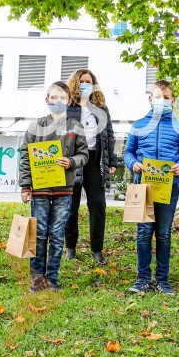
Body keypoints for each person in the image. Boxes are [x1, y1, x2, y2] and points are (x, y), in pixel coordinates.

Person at [124, 80, 179, 295]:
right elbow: (128, 152)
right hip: (143, 188)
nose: (161, 101)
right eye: (157, 97)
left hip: (168, 188)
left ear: (172, 100)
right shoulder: (138, 125)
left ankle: (163, 280)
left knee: (163, 234)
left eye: (165, 97)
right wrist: (133, 164)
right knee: (144, 233)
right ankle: (143, 278)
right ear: (150, 99)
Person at [19, 81, 89, 293]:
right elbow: (25, 156)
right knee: (39, 233)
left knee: (57, 234)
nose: (58, 101)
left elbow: (84, 155)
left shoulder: (76, 127)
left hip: (64, 189)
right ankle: (36, 277)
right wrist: (25, 185)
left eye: (62, 98)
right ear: (47, 100)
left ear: (69, 101)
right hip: (40, 189)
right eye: (53, 97)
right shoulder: (36, 126)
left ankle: (52, 278)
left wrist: (72, 162)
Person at [64, 69, 120, 266]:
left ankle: (97, 249)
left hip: (95, 162)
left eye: (89, 81)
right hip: (73, 161)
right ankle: (70, 247)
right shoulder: (68, 106)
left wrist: (112, 161)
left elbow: (109, 135)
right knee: (71, 207)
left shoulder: (101, 107)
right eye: (82, 81)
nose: (85, 85)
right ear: (75, 83)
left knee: (97, 205)